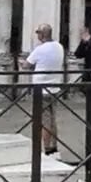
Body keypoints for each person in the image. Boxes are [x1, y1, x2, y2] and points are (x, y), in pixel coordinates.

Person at [25, 23, 65, 157]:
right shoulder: (59, 47)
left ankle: (48, 149)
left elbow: (26, 65)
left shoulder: (40, 49)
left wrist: (23, 63)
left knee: (45, 121)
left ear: (42, 34)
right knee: (53, 119)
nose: (37, 36)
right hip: (55, 87)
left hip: (41, 89)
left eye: (38, 33)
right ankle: (54, 147)